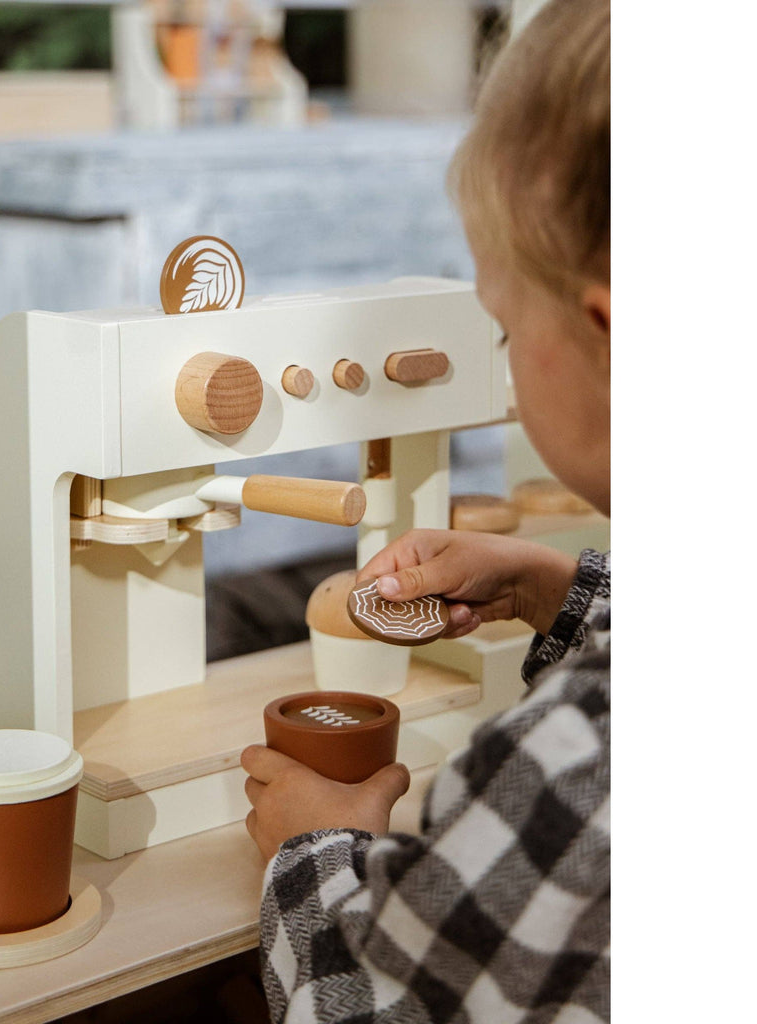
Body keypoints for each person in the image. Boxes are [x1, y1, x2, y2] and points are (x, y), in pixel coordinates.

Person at [240, 1, 611, 1021]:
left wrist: (313, 846)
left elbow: (362, 999)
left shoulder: (575, 763)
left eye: (499, 325)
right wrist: (557, 586)